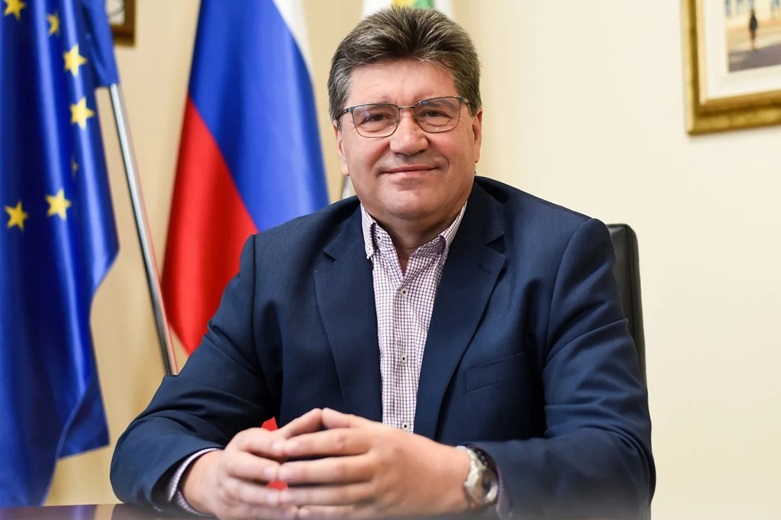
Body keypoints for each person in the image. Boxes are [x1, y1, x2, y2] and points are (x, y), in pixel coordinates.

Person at [111, 7, 655, 519]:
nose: (407, 140)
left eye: (434, 112)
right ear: (341, 143)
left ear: (475, 130)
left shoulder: (559, 255)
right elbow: (151, 439)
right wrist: (211, 479)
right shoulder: (277, 268)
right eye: (375, 118)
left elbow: (618, 463)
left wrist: (457, 476)